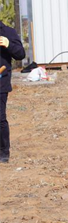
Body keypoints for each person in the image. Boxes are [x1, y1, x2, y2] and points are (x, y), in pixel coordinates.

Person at [0, 20, 25, 163]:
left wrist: (9, 44)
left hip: (1, 82)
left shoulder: (7, 32)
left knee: (0, 118)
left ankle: (4, 152)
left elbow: (20, 54)